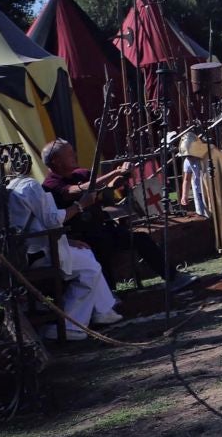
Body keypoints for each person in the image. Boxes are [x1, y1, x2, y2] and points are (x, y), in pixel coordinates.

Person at [40, 140, 189, 290]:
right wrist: (114, 172)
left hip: (102, 228)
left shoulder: (81, 173)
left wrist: (121, 177)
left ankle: (172, 278)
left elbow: (105, 187)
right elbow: (74, 191)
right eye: (69, 154)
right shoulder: (50, 184)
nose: (75, 156)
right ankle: (110, 293)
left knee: (140, 239)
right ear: (56, 161)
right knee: (98, 249)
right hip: (80, 237)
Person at [10, 154, 123, 339]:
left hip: (32, 248)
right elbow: (52, 219)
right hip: (37, 253)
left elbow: (35, 224)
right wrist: (80, 205)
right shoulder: (29, 186)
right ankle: (71, 325)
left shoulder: (10, 187)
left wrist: (68, 241)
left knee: (85, 253)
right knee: (89, 267)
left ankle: (103, 310)